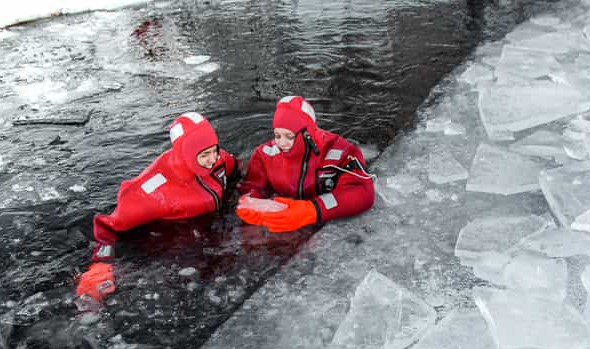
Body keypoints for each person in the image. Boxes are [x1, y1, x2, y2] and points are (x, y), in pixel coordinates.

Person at [75, 111, 241, 308]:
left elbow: (236, 171)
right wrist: (100, 264)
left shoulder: (220, 159)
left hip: (212, 226)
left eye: (214, 150)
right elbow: (109, 225)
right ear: (186, 154)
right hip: (173, 244)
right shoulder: (152, 191)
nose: (212, 159)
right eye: (204, 155)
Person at [236, 96, 375, 232]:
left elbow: (363, 192)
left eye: (289, 137)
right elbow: (251, 187)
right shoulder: (265, 154)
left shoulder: (340, 152)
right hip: (287, 212)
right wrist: (251, 202)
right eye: (277, 135)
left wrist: (312, 210)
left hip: (319, 214)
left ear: (307, 134)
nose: (281, 143)